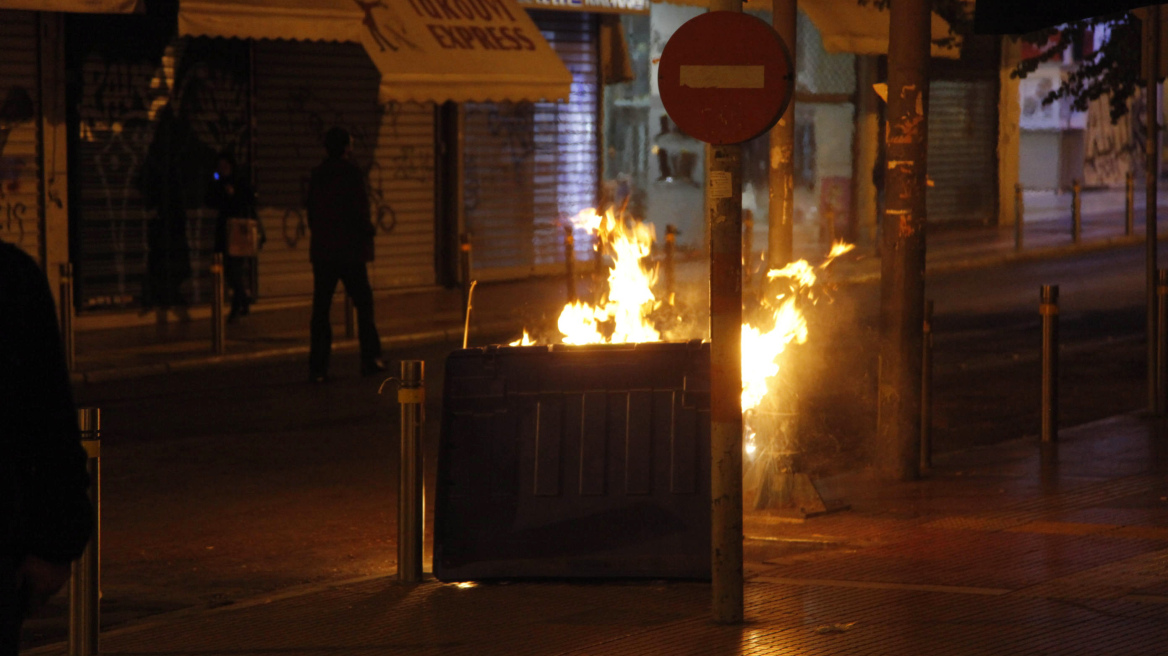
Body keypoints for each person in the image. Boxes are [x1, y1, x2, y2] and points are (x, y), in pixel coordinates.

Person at [1, 239, 94, 655]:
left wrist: (56, 542)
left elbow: (48, 418)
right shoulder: (11, 277)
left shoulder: (10, 279)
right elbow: (50, 419)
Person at [306, 127, 386, 383]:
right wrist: (368, 230)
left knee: (321, 309)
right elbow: (358, 211)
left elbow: (311, 213)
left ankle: (318, 367)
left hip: (324, 252)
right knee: (364, 305)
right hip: (350, 253)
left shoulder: (317, 175)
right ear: (345, 148)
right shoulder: (352, 174)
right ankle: (370, 359)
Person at [208, 153, 264, 322]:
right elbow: (210, 200)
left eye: (225, 166)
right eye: (220, 167)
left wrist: (234, 194)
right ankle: (243, 301)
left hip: (238, 232)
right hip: (224, 232)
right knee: (227, 270)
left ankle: (236, 306)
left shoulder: (240, 182)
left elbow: (249, 201)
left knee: (234, 270)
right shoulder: (219, 183)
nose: (222, 170)